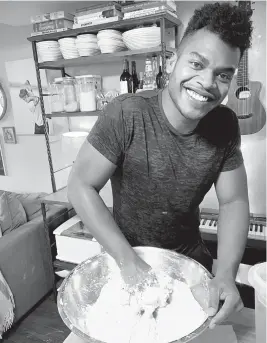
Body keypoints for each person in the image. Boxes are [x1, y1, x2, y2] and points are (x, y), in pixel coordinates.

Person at [68, 2, 252, 329]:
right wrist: (127, 261)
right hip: (125, 258)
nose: (207, 83)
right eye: (197, 63)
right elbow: (81, 185)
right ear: (173, 59)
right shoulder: (126, 114)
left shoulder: (225, 124)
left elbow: (233, 200)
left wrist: (225, 273)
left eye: (223, 75)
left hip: (190, 264)